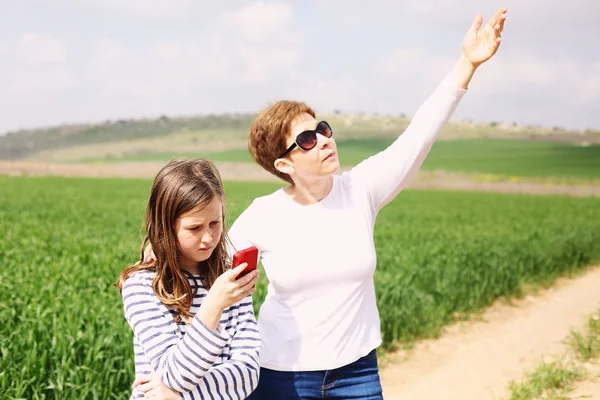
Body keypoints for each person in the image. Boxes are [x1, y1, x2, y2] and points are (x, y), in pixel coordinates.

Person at [141, 8, 507, 399]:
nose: (324, 140)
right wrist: (161, 373)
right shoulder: (263, 215)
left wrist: (467, 63)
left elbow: (419, 135)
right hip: (282, 375)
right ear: (284, 164)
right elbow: (202, 267)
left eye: (323, 129)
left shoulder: (362, 189)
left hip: (357, 372)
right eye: (307, 140)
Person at [115, 158, 261, 400]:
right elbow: (173, 375)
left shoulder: (231, 280)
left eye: (215, 223)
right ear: (165, 227)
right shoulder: (142, 286)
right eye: (194, 228)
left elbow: (248, 373)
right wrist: (214, 305)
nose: (208, 238)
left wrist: (178, 396)